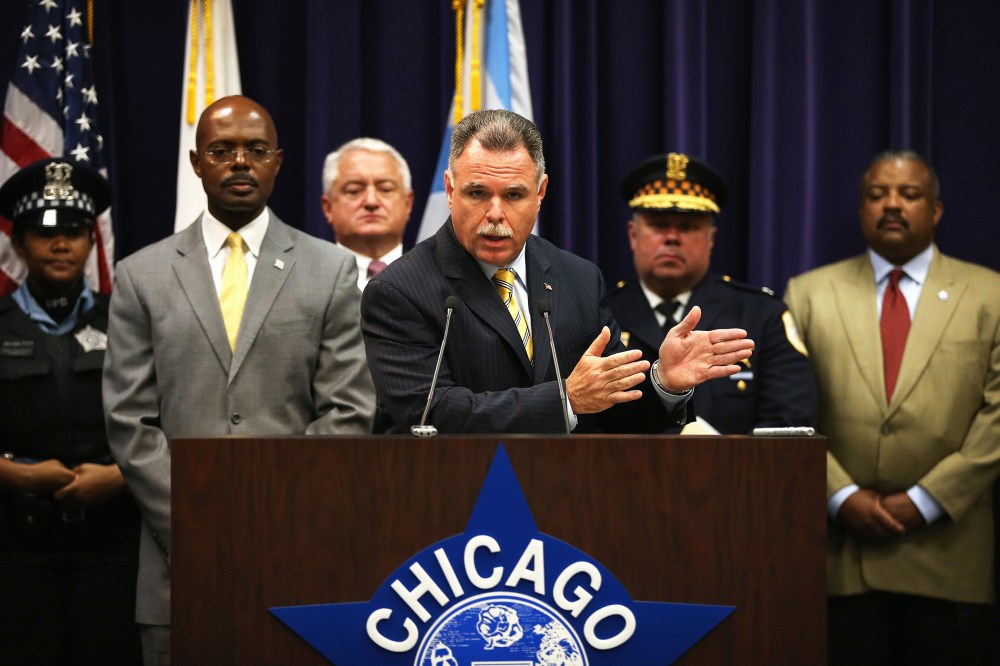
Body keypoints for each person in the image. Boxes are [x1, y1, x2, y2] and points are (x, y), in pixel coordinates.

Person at [102, 95, 376, 665]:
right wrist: (197, 521)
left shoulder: (329, 271)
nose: (240, 163)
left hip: (297, 557)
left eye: (255, 150)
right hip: (178, 567)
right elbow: (131, 422)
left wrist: (274, 514)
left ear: (277, 161)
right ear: (197, 162)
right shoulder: (140, 276)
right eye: (221, 151)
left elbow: (348, 410)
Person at [361, 109, 754, 434]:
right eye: (477, 193)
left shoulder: (578, 278)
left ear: (540, 193)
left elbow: (614, 409)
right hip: (451, 506)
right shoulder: (398, 291)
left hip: (565, 505)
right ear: (450, 190)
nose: (495, 214)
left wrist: (662, 381)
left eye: (514, 195)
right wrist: (564, 400)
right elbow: (430, 415)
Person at [784, 150, 999, 664]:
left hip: (950, 554)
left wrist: (929, 498)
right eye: (877, 195)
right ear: (861, 210)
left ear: (937, 209)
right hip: (840, 557)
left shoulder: (990, 295)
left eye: (909, 194)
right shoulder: (809, 294)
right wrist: (841, 494)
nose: (893, 205)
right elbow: (789, 410)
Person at [0, 158, 141, 664]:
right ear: (18, 244)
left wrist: (120, 476)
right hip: (15, 548)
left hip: (112, 544)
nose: (61, 244)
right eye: (44, 232)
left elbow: (162, 419)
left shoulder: (127, 321)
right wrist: (13, 475)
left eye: (75, 232)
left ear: (91, 241)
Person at [607, 152, 816, 434]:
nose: (671, 237)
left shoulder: (761, 315)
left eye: (687, 227)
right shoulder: (601, 313)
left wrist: (721, 460)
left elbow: (790, 422)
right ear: (633, 234)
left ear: (711, 239)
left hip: (738, 476)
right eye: (658, 225)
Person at [321, 137, 414, 291]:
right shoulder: (304, 281)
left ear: (408, 203)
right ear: (328, 207)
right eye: (354, 191)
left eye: (385, 189)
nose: (371, 202)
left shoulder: (439, 280)